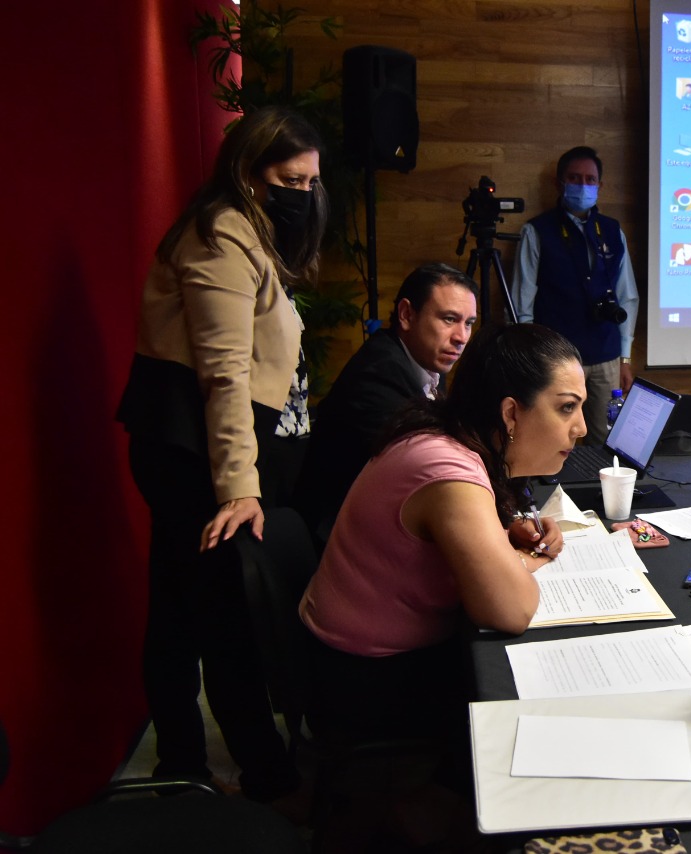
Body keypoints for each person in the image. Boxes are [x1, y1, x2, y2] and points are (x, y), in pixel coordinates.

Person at [115, 106, 328, 803]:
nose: (304, 194)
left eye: (311, 182)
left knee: (179, 612)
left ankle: (180, 767)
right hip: (196, 456)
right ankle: (268, 780)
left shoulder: (251, 233)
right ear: (247, 172)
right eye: (290, 181)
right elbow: (225, 373)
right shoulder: (222, 235)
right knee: (223, 618)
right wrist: (240, 486)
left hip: (200, 449)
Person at [299, 322, 586, 743]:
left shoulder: (445, 437)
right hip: (366, 685)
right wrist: (532, 558)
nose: (581, 428)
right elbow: (511, 610)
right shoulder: (449, 472)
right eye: (566, 408)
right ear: (510, 413)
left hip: (351, 661)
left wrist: (503, 536)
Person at [293, 262, 478, 543]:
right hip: (336, 540)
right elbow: (435, 469)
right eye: (449, 319)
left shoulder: (427, 361)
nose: (461, 337)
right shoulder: (377, 376)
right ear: (406, 315)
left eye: (469, 323)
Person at [511, 145, 639, 444]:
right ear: (560, 183)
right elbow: (521, 303)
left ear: (600, 185)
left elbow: (627, 296)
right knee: (553, 437)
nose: (583, 185)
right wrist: (527, 359)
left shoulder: (612, 231)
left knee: (607, 441)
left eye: (590, 179)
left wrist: (625, 358)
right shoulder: (537, 231)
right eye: (574, 178)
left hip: (606, 356)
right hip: (556, 358)